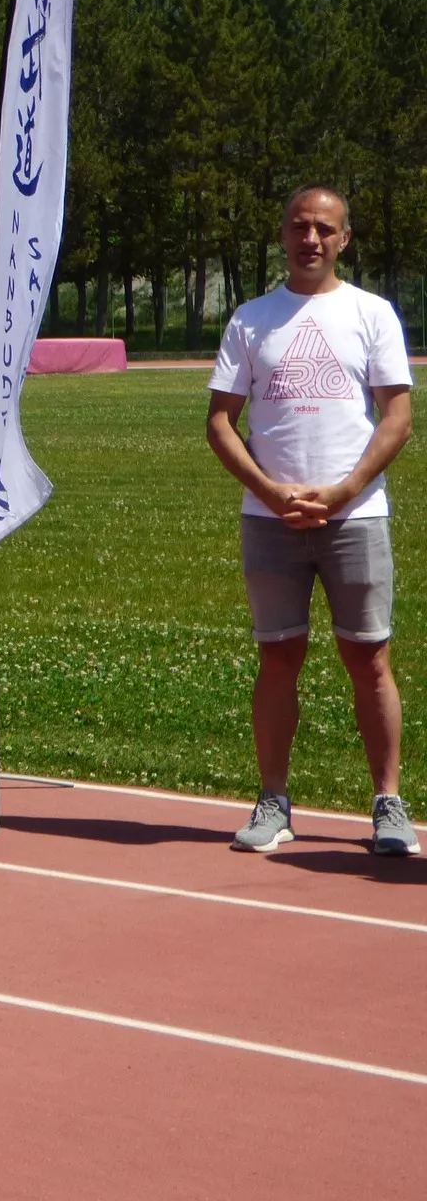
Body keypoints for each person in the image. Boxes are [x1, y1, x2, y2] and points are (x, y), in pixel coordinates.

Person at [206, 185, 416, 857]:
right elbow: (220, 422)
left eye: (325, 229)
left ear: (344, 239)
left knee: (370, 659)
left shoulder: (372, 314)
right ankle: (273, 800)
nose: (311, 239)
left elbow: (398, 416)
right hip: (270, 520)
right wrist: (270, 492)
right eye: (300, 227)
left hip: (356, 517)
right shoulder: (251, 320)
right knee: (277, 657)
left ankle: (388, 803)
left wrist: (347, 490)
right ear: (283, 234)